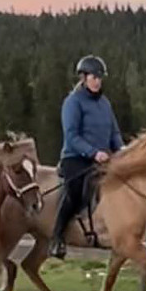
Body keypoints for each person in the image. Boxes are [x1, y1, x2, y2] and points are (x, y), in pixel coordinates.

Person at [48, 54, 124, 260]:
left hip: (101, 159)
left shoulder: (105, 103)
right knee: (75, 192)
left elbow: (114, 132)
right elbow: (72, 136)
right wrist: (93, 152)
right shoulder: (73, 102)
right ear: (83, 78)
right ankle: (57, 237)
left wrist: (122, 151)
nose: (97, 81)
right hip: (76, 158)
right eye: (94, 77)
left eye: (100, 77)